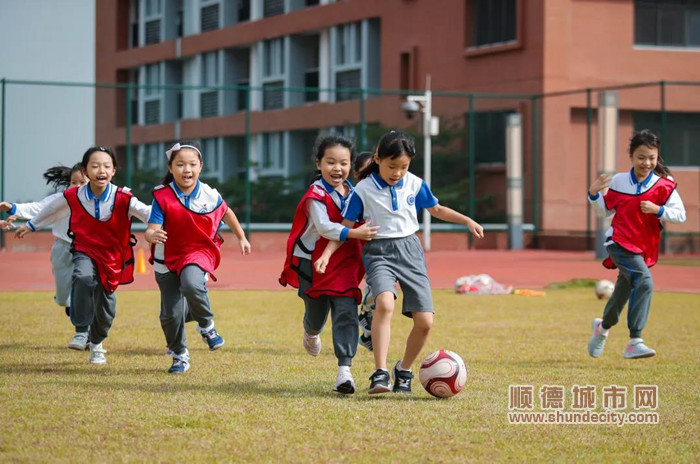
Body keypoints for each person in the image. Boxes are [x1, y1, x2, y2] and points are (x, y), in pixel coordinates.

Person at [316, 130, 484, 394]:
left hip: (410, 251)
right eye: (391, 166)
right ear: (378, 159)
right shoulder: (363, 189)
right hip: (378, 251)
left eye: (403, 167)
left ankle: (403, 369)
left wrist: (467, 220)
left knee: (425, 321)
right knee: (384, 302)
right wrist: (326, 254)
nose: (397, 173)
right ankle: (380, 372)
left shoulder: (415, 184)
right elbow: (344, 227)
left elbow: (437, 210)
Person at [15, 147, 151, 364]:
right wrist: (31, 225)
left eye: (106, 166)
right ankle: (80, 330)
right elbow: (49, 210)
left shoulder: (124, 197)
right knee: (82, 276)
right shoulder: (73, 196)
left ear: (114, 170)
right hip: (84, 250)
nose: (101, 170)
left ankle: (96, 343)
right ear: (86, 171)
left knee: (107, 310)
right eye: (95, 166)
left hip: (112, 258)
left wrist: (167, 219)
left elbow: (148, 213)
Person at [279, 135, 378, 394]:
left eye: (344, 163)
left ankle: (344, 371)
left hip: (344, 264)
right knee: (316, 316)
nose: (337, 168)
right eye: (331, 162)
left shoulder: (356, 193)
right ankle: (310, 332)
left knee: (346, 311)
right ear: (319, 164)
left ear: (351, 166)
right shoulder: (315, 195)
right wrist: (356, 234)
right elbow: (324, 228)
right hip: (312, 264)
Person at [145, 142, 251, 374]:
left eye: (192, 164)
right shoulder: (162, 197)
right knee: (170, 315)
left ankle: (207, 326)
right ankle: (180, 356)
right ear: (171, 168)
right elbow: (150, 229)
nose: (186, 169)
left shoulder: (210, 194)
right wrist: (153, 235)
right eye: (180, 164)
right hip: (166, 259)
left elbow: (227, 212)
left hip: (197, 252)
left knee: (192, 283)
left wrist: (241, 237)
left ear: (200, 167)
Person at [587, 129, 686, 359]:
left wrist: (657, 209)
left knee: (623, 291)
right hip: (619, 242)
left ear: (657, 157)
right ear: (631, 156)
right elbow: (605, 211)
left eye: (651, 157)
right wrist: (593, 194)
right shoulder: (620, 180)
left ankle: (602, 328)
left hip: (642, 248)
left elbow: (680, 215)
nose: (647, 163)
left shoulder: (665, 185)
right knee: (644, 282)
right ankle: (635, 340)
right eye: (641, 157)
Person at [0, 164, 86, 321]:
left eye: (82, 182)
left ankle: (84, 328)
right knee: (63, 299)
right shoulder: (60, 200)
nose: (77, 186)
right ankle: (70, 306)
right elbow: (38, 209)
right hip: (62, 249)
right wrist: (12, 208)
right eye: (74, 182)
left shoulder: (97, 203)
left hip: (86, 251)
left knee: (85, 285)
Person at [353, 151, 375, 352]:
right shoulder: (356, 193)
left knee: (380, 290)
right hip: (353, 247)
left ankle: (368, 334)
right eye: (363, 174)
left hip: (376, 248)